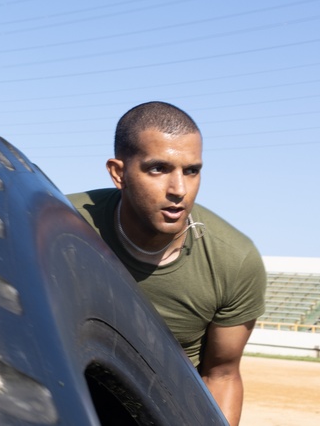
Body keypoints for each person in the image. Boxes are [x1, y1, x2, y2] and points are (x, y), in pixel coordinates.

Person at [66, 101, 265, 426]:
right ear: (119, 173)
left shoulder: (234, 261)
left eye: (192, 171)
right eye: (158, 169)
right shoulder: (60, 223)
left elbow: (222, 374)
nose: (179, 190)